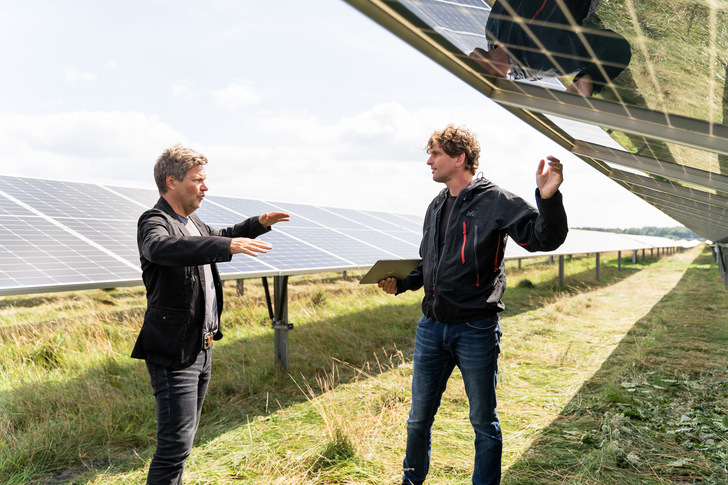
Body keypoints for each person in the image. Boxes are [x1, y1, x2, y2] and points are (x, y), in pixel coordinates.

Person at [378, 125, 568, 485]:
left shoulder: (496, 200)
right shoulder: (436, 205)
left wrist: (548, 199)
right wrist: (402, 283)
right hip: (431, 328)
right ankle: (411, 479)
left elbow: (543, 238)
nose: (429, 162)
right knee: (418, 418)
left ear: (459, 157)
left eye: (435, 154)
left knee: (483, 420)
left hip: (475, 330)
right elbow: (429, 262)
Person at [131, 144, 289, 484]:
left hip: (201, 349)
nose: (206, 187)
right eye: (198, 180)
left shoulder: (191, 222)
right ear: (172, 182)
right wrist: (226, 246)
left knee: (182, 443)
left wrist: (256, 224)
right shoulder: (155, 221)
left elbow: (221, 237)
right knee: (173, 446)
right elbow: (161, 248)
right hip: (175, 352)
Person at [469, 0, 631, 96]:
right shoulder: (539, 62)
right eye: (468, 70)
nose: (467, 58)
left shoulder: (492, 30)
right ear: (494, 78)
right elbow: (616, 47)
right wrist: (591, 78)